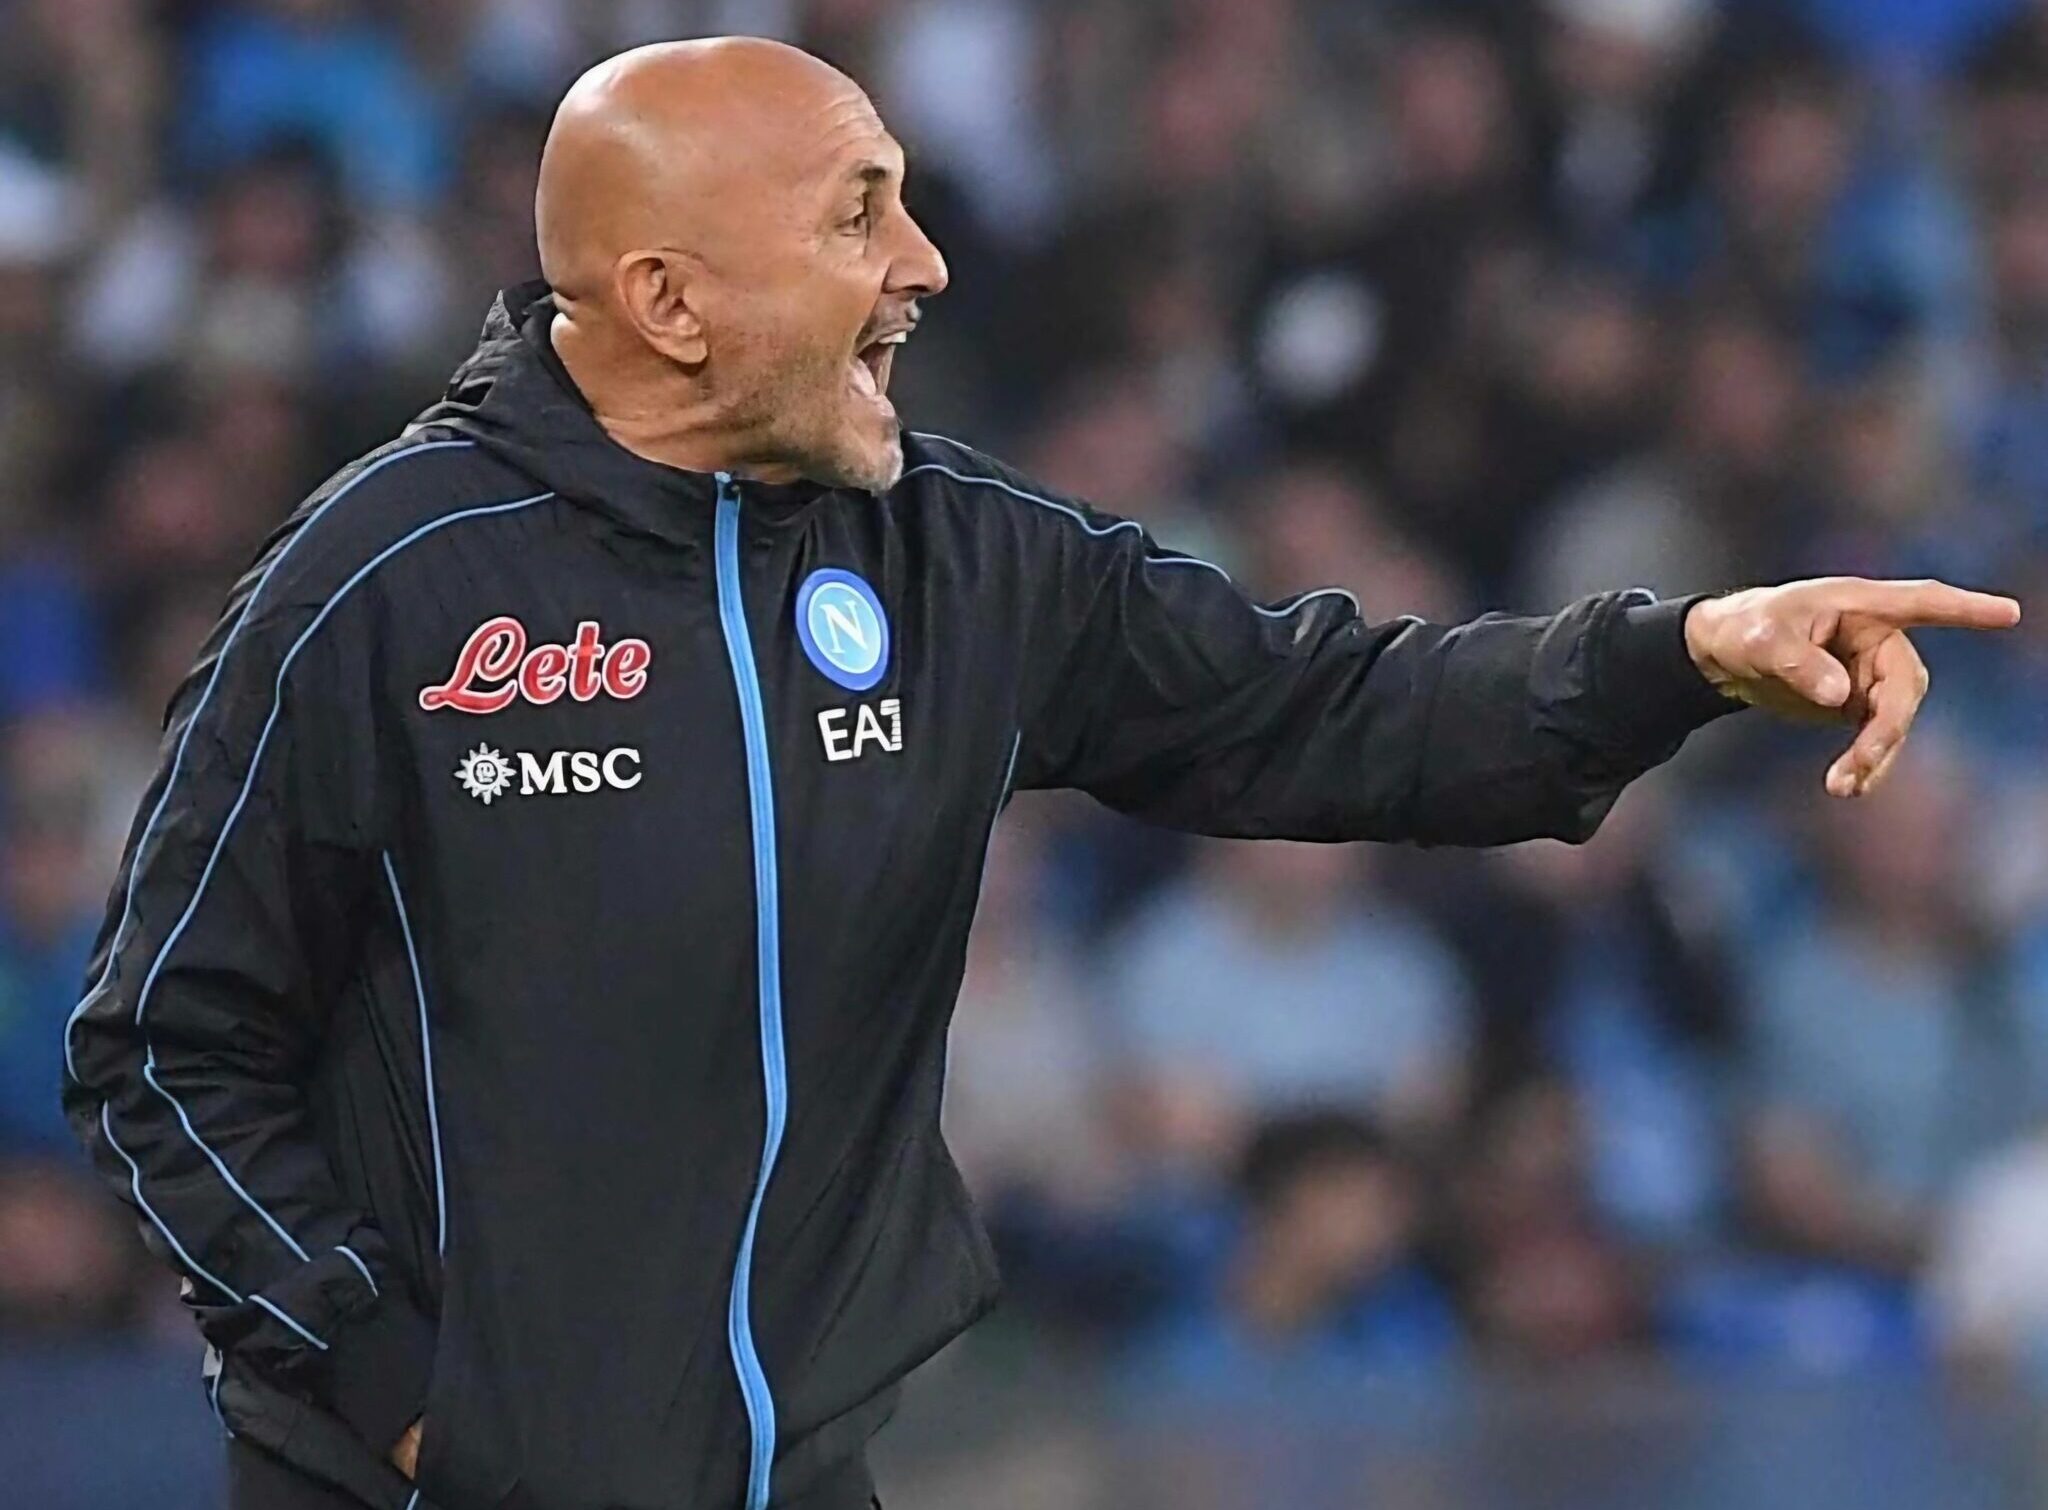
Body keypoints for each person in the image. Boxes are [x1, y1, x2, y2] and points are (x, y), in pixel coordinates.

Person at [57, 36, 2021, 1510]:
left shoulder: (962, 559)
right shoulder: (381, 582)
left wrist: (1673, 653)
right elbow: (161, 1043)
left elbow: (1332, 709)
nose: (921, 263)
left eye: (907, 194)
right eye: (856, 214)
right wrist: (399, 1382)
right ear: (665, 301)